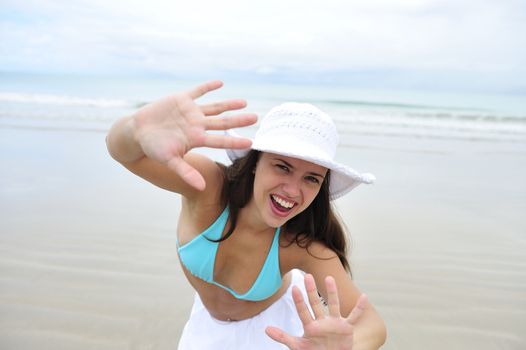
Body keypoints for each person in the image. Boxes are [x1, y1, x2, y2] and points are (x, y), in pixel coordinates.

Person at [106, 81, 386, 349]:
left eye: (311, 179)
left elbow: (372, 325)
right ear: (255, 163)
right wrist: (134, 128)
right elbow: (124, 153)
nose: (292, 190)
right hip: (207, 323)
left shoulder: (302, 247)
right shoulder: (208, 188)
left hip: (273, 328)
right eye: (283, 167)